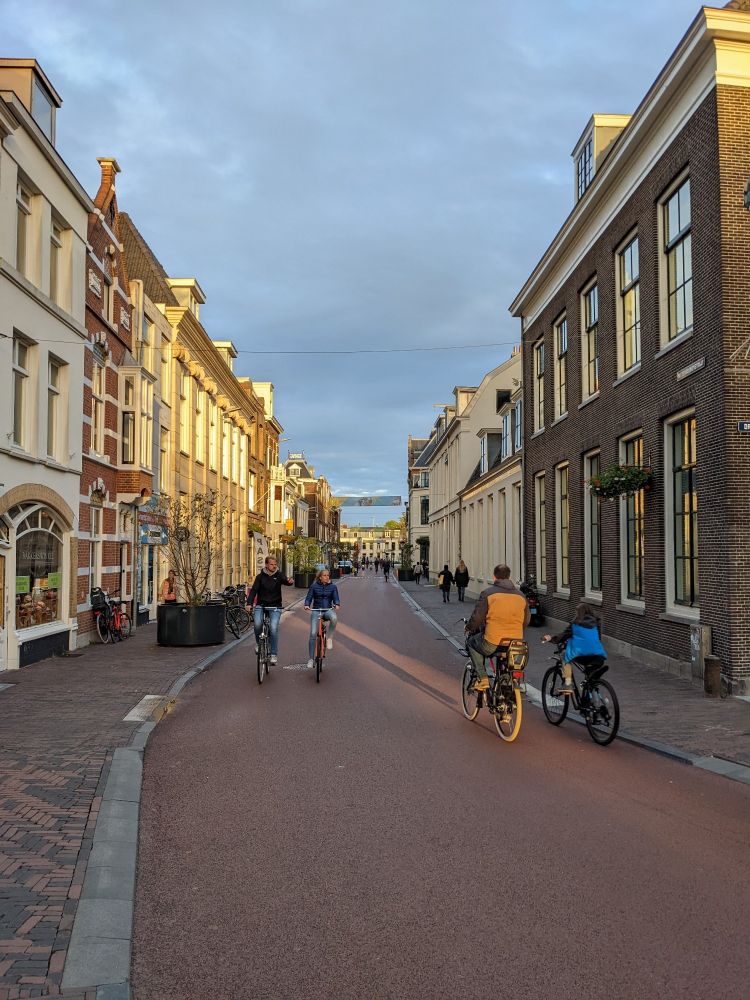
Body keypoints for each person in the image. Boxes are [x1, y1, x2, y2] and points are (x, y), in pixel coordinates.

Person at [465, 564, 530, 691]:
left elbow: (477, 618)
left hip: (492, 642)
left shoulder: (488, 594)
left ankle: (483, 678)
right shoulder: (521, 596)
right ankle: (506, 687)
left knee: (472, 643)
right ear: (509, 577)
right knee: (507, 660)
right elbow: (526, 621)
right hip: (515, 643)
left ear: (494, 577)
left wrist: (469, 628)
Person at [543, 603, 606, 694]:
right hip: (599, 656)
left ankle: (568, 684)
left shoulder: (576, 623)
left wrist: (551, 639)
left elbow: (564, 635)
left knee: (565, 655)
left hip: (584, 655)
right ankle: (592, 695)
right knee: (591, 678)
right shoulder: (596, 622)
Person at [247, 555, 294, 665]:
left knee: (273, 628)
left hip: (275, 606)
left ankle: (273, 654)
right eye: (271, 564)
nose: (274, 566)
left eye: (275, 564)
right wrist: (249, 603)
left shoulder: (279, 575)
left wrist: (290, 581)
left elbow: (286, 581)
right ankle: (258, 644)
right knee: (257, 624)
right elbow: (254, 591)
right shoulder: (260, 577)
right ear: (266, 565)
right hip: (261, 605)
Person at [305, 568, 341, 669]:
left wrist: (337, 604)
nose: (327, 577)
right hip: (316, 610)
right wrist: (307, 605)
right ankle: (311, 659)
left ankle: (329, 638)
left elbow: (336, 598)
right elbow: (309, 597)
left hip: (327, 610)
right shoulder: (314, 586)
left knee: (334, 618)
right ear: (320, 577)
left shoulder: (333, 586)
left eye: (328, 575)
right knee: (312, 633)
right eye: (324, 575)